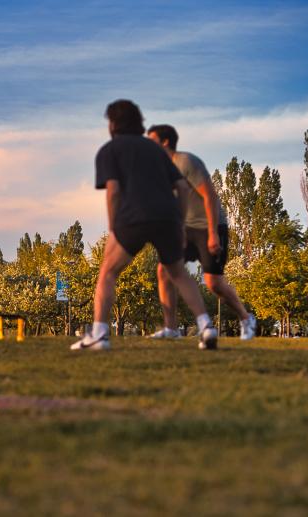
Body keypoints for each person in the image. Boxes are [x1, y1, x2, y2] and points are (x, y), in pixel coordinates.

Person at [71, 100, 218, 351]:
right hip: (169, 217)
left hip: (134, 216)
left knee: (107, 271)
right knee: (179, 273)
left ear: (113, 123)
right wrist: (180, 225)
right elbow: (182, 188)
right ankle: (206, 327)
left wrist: (113, 226)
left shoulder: (110, 150)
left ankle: (99, 334)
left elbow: (114, 191)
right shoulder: (157, 151)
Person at [146, 124, 256, 340]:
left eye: (151, 140)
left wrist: (214, 234)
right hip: (185, 228)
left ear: (165, 142)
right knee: (164, 270)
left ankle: (246, 318)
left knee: (214, 283)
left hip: (210, 226)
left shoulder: (185, 161)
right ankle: (171, 329)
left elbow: (210, 196)